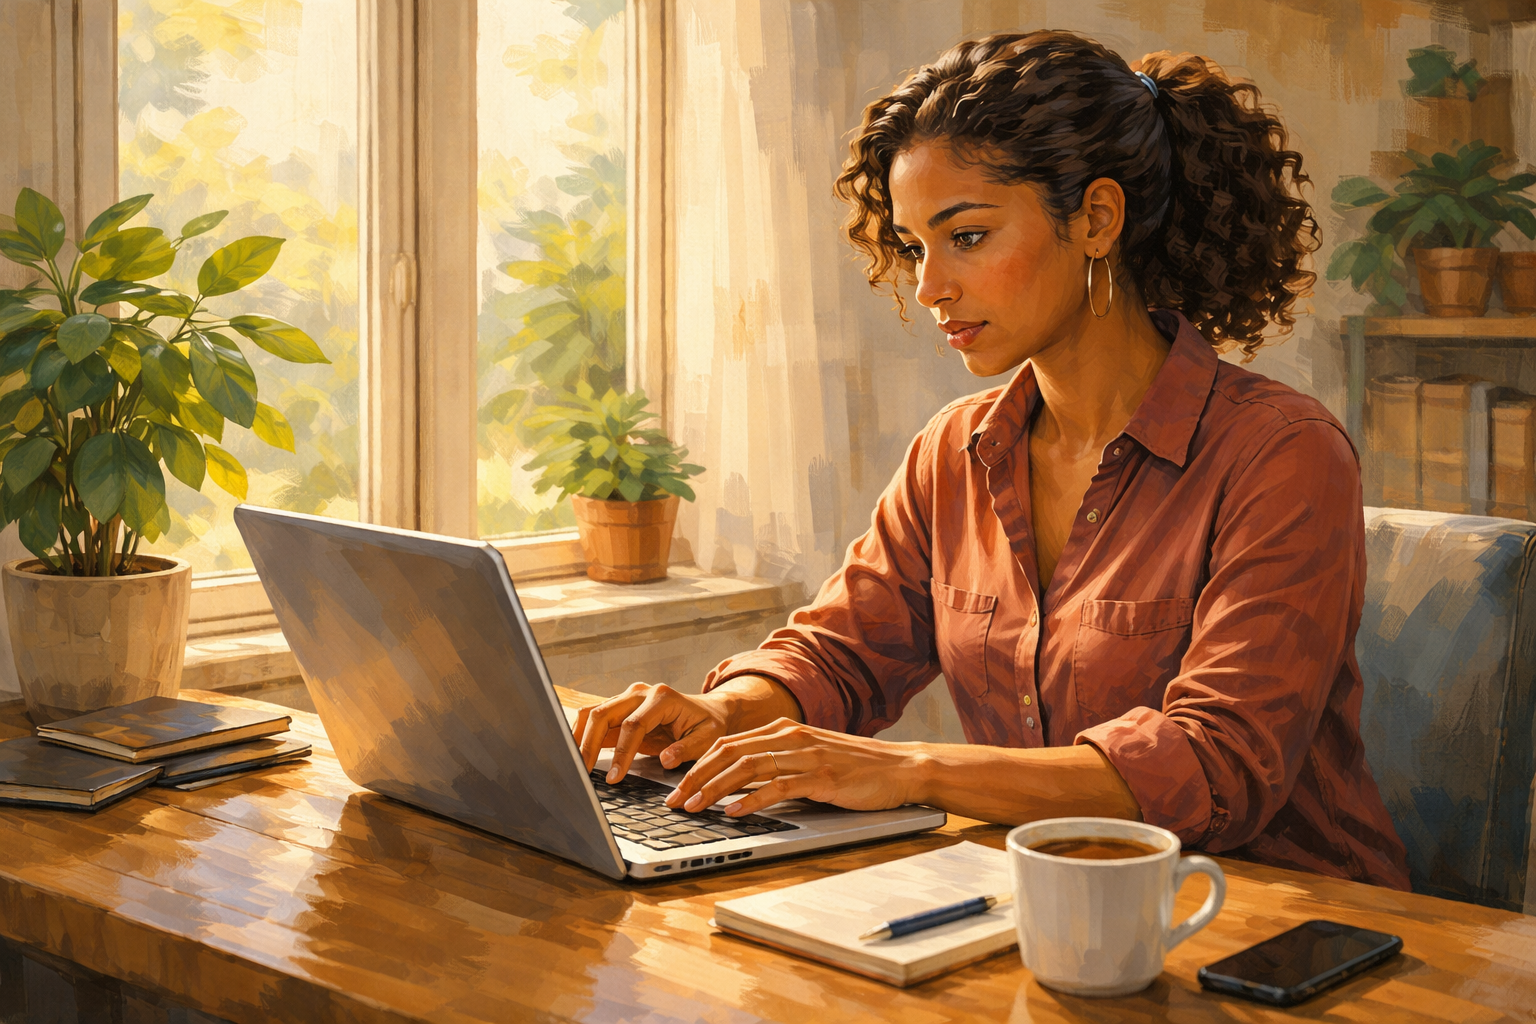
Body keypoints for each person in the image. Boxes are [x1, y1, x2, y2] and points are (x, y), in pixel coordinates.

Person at [572, 30, 1411, 888]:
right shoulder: (956, 450)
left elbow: (1217, 763)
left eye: (965, 237)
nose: (930, 284)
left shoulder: (1282, 455)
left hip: (1291, 930)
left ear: (1096, 220)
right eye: (912, 247)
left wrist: (908, 772)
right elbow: (841, 653)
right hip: (1048, 905)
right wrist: (724, 712)